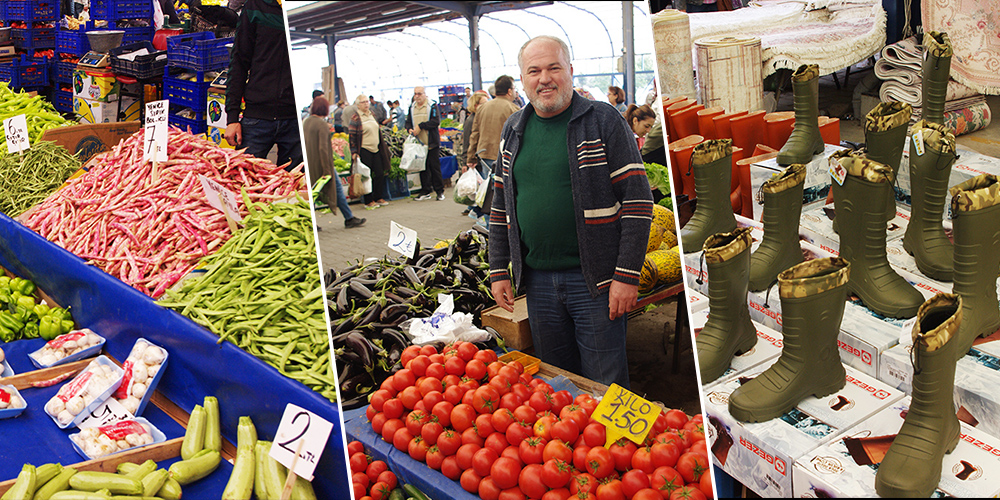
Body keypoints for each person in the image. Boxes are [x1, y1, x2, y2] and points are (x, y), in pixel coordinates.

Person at [488, 35, 653, 388]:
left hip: (594, 282)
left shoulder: (602, 120)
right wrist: (498, 269)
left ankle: (615, 445)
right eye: (534, 71)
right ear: (523, 78)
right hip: (538, 282)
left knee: (606, 384)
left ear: (571, 72)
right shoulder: (514, 129)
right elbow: (500, 206)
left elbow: (639, 202)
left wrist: (626, 275)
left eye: (553, 68)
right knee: (558, 383)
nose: (544, 78)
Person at [225, 0, 301, 170]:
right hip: (256, 118)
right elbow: (239, 62)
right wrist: (232, 117)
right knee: (243, 180)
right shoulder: (255, 6)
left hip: (294, 122)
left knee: (294, 188)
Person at [302, 96, 366, 229]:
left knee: (314, 193)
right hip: (323, 165)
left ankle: (311, 222)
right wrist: (327, 171)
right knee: (334, 190)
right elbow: (323, 149)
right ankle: (348, 218)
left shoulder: (306, 122)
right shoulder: (322, 125)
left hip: (310, 164)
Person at [349, 95, 391, 209]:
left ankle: (378, 197)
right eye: (363, 102)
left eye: (367, 102)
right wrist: (354, 152)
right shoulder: (356, 118)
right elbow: (352, 137)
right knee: (366, 176)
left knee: (379, 173)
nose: (366, 104)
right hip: (364, 150)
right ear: (358, 105)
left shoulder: (372, 114)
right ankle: (368, 200)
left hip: (376, 149)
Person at [406, 86, 445, 201]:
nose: (417, 96)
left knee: (434, 167)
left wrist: (421, 126)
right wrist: (409, 129)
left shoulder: (432, 105)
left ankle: (439, 191)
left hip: (431, 143)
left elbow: (435, 122)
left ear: (424, 94)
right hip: (419, 144)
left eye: (419, 94)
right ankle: (425, 190)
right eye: (415, 94)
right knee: (422, 168)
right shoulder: (412, 107)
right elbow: (408, 122)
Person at [460, 90, 490, 216]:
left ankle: (476, 211)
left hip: (478, 159)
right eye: (483, 103)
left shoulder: (480, 118)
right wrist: (466, 161)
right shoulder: (471, 120)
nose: (486, 106)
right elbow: (467, 141)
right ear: (475, 105)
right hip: (475, 160)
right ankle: (476, 212)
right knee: (481, 191)